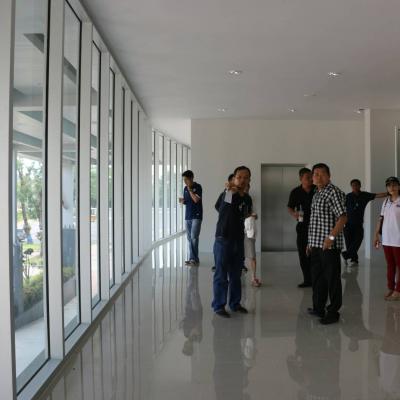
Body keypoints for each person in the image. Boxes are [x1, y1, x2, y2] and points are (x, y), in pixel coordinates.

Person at [307, 163, 347, 325]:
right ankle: (318, 307)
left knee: (332, 279)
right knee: (317, 278)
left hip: (329, 245)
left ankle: (333, 311)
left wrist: (330, 237)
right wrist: (310, 242)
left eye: (322, 173)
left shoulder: (334, 192)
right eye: (315, 174)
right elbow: (314, 220)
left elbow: (343, 217)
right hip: (316, 243)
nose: (318, 176)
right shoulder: (317, 193)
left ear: (329, 176)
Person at [212, 166, 252, 318]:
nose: (242, 180)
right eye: (239, 177)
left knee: (236, 275)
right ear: (234, 178)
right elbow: (220, 208)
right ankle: (219, 306)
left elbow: (246, 213)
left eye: (245, 177)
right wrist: (229, 192)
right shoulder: (228, 193)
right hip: (223, 239)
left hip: (238, 240)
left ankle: (235, 304)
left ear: (249, 180)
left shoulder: (247, 198)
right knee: (221, 274)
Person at [342, 179, 386, 266]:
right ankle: (354, 260)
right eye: (353, 185)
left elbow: (377, 195)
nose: (355, 187)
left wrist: (389, 193)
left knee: (358, 239)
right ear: (351, 187)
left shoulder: (364, 195)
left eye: (356, 185)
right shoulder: (348, 196)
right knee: (349, 243)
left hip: (358, 224)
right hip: (347, 224)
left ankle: (346, 255)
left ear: (360, 186)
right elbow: (340, 208)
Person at [287, 167, 315, 288]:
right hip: (302, 226)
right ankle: (307, 279)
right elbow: (290, 207)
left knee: (315, 254)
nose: (310, 180)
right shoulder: (295, 192)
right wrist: (294, 214)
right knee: (303, 254)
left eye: (311, 177)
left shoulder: (317, 190)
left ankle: (316, 279)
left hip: (317, 227)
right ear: (301, 179)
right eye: (307, 178)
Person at [374, 176, 400, 301]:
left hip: (398, 240)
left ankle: (398, 290)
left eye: (394, 185)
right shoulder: (385, 202)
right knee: (390, 265)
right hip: (387, 239)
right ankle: (390, 287)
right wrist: (376, 235)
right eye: (389, 185)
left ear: (399, 186)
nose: (392, 187)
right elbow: (380, 219)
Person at [212, 173, 235, 272]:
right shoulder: (225, 194)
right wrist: (224, 214)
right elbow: (217, 206)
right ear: (230, 181)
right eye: (235, 179)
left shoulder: (241, 195)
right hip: (223, 230)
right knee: (220, 251)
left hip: (235, 231)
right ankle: (218, 265)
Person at [179, 170, 203, 266]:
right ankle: (193, 258)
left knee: (194, 238)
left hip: (196, 216)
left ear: (192, 178)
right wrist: (183, 201)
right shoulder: (185, 188)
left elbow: (196, 199)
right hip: (188, 216)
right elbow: (189, 201)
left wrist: (190, 190)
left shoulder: (198, 187)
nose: (185, 182)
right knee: (189, 238)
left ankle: (193, 259)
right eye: (184, 180)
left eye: (186, 179)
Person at [244, 183, 261, 287]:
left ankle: (253, 278)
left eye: (247, 188)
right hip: (237, 230)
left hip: (249, 231)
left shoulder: (249, 199)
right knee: (236, 255)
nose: (246, 190)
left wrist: (254, 215)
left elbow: (253, 214)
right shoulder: (232, 197)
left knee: (252, 255)